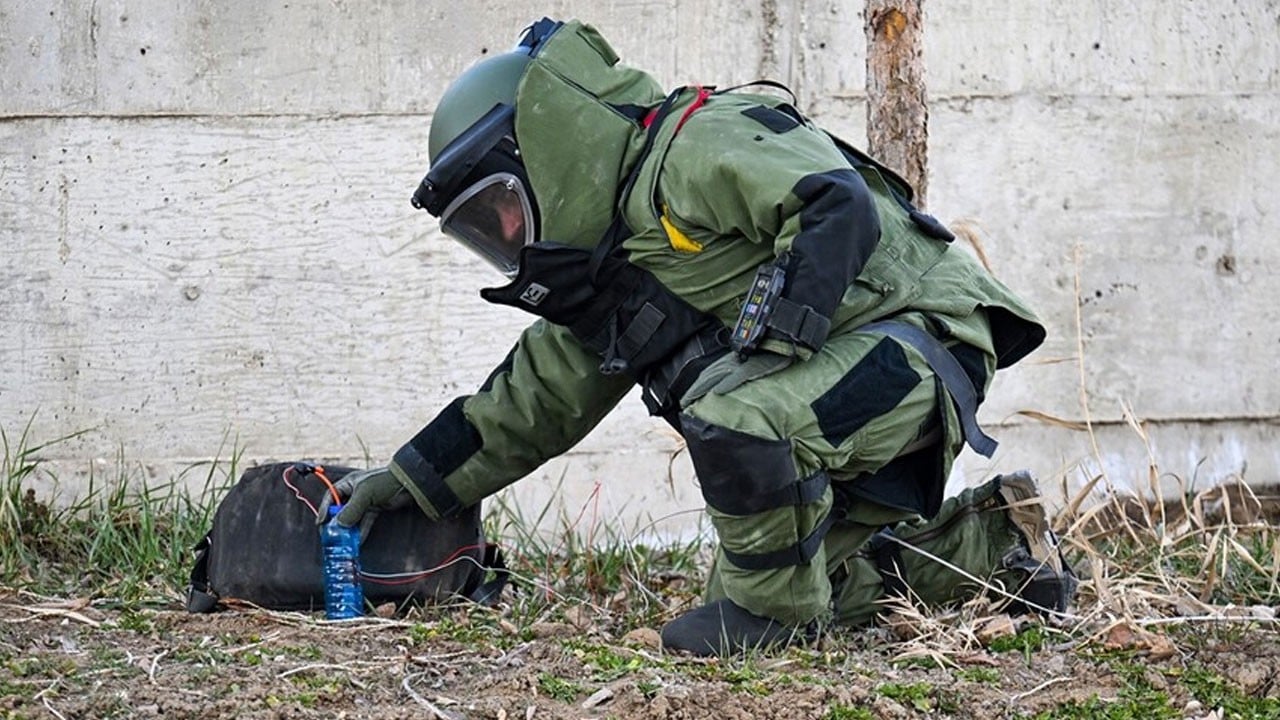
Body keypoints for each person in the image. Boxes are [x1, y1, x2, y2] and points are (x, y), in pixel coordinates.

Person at [318, 17, 1077, 656]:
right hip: (845, 379)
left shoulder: (688, 145)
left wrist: (777, 338)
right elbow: (529, 405)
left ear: (543, 147)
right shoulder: (607, 275)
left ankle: (774, 623)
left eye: (502, 210)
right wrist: (407, 481)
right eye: (486, 230)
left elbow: (833, 202)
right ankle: (1003, 545)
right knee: (791, 576)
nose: (507, 237)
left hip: (919, 341)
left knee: (736, 425)